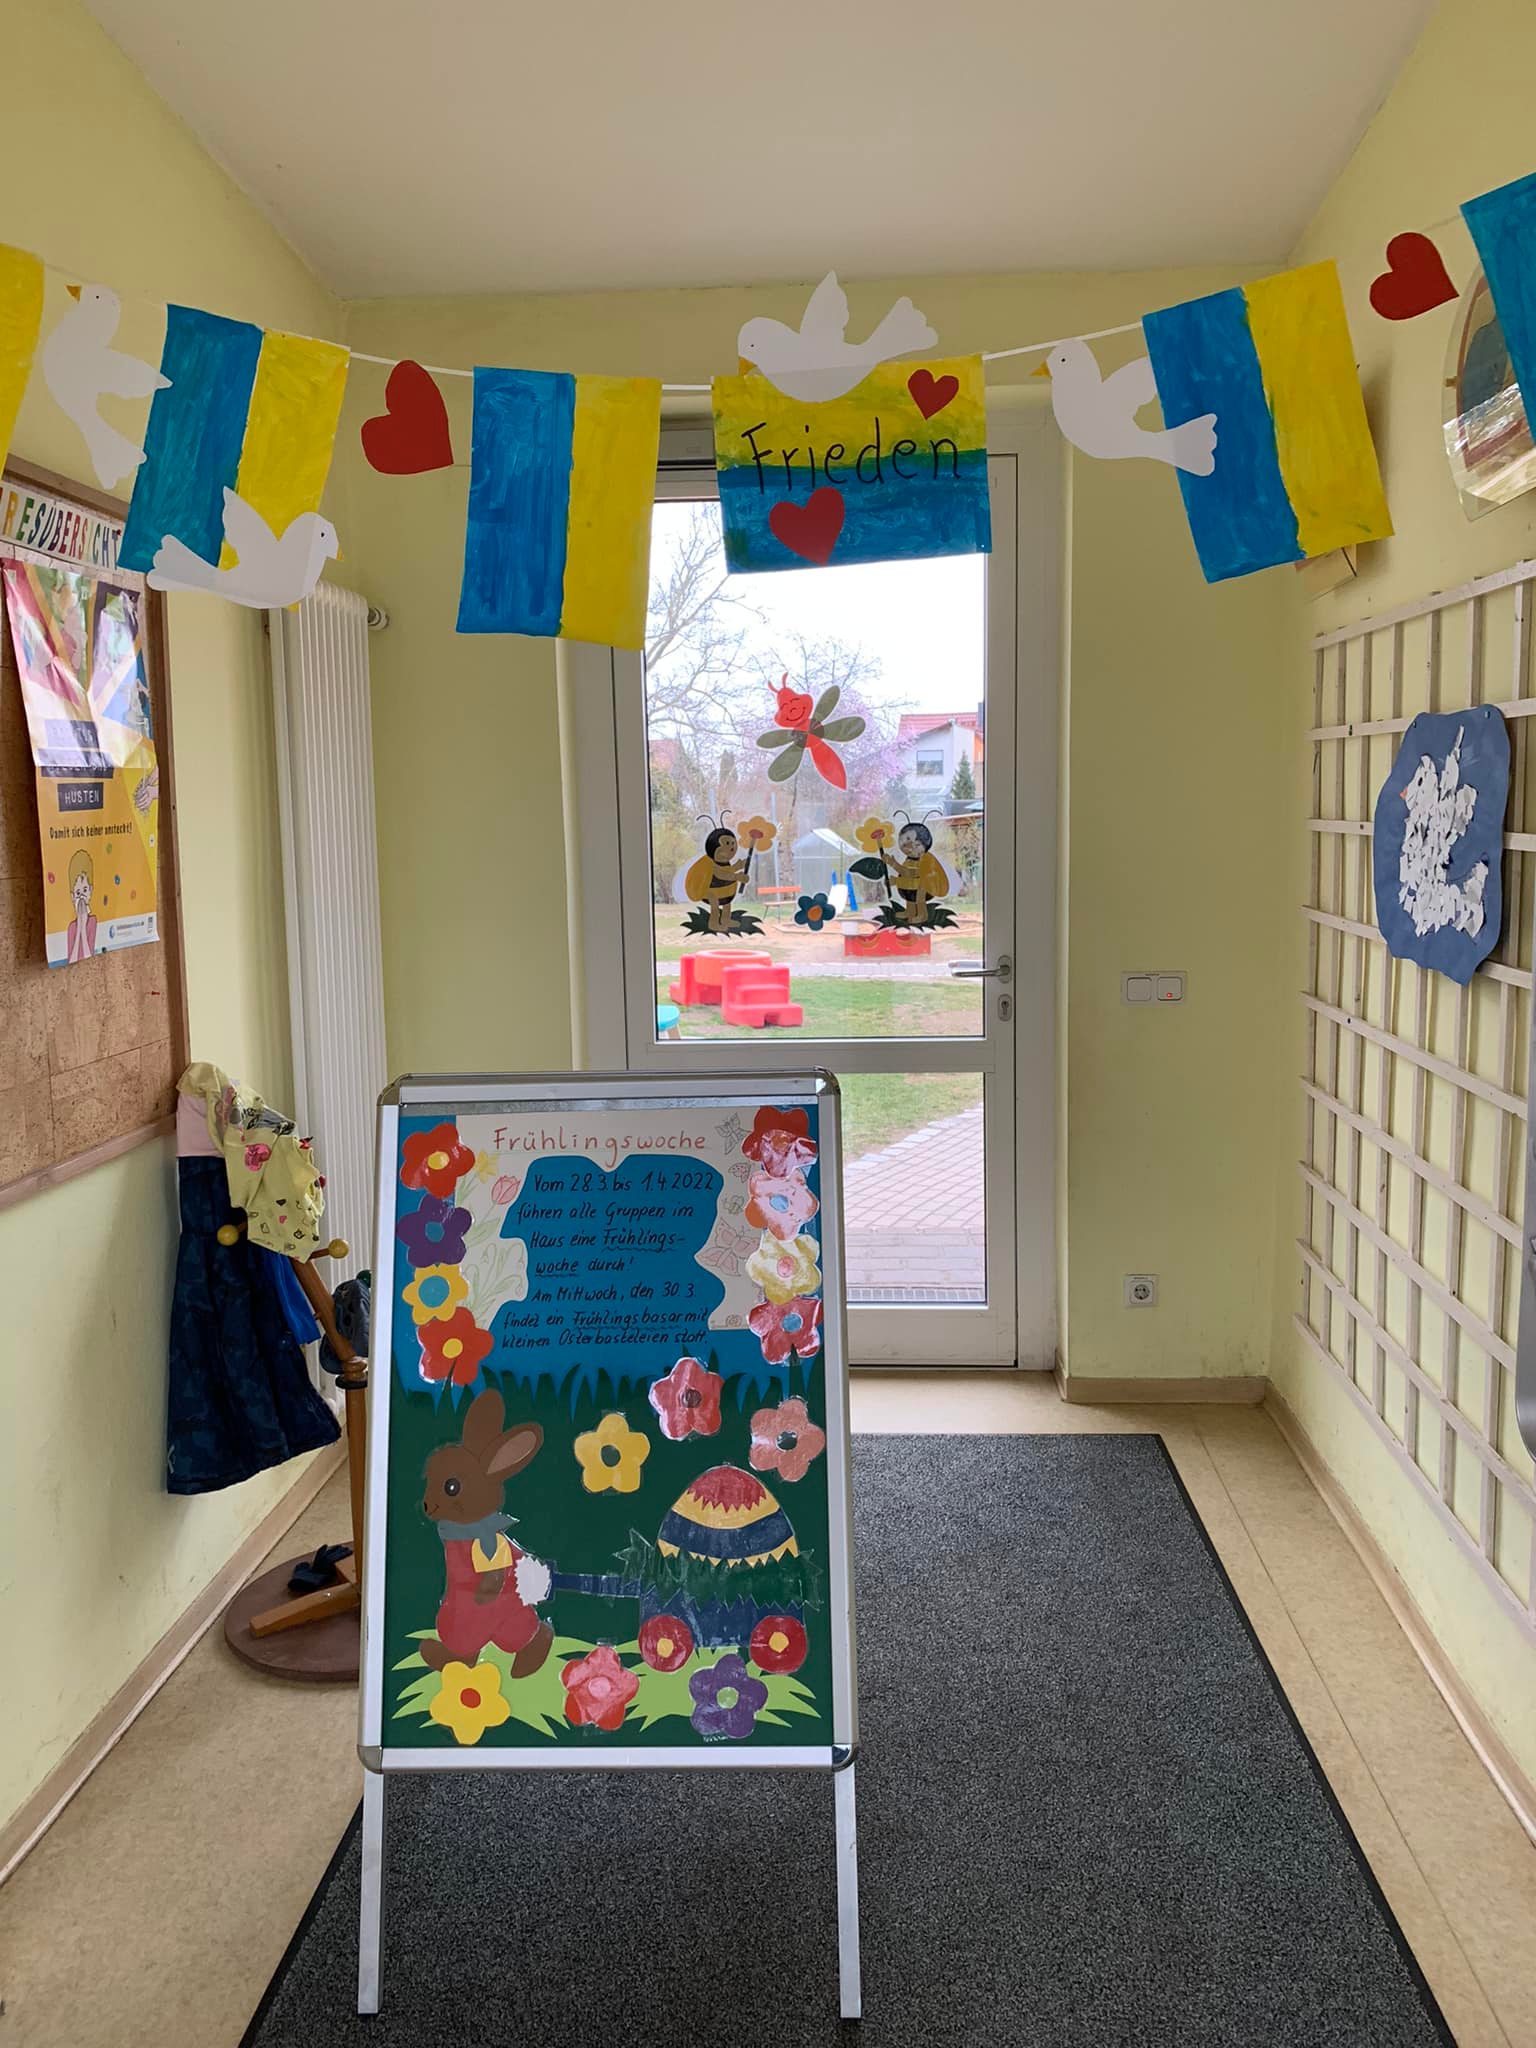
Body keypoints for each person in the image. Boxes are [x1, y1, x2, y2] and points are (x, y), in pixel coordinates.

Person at [65, 847, 97, 961]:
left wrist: (83, 929)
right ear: (73, 896)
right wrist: (78, 927)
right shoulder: (71, 927)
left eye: (85, 890)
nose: (81, 897)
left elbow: (89, 955)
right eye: (78, 893)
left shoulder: (92, 922)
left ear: (90, 891)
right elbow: (71, 960)